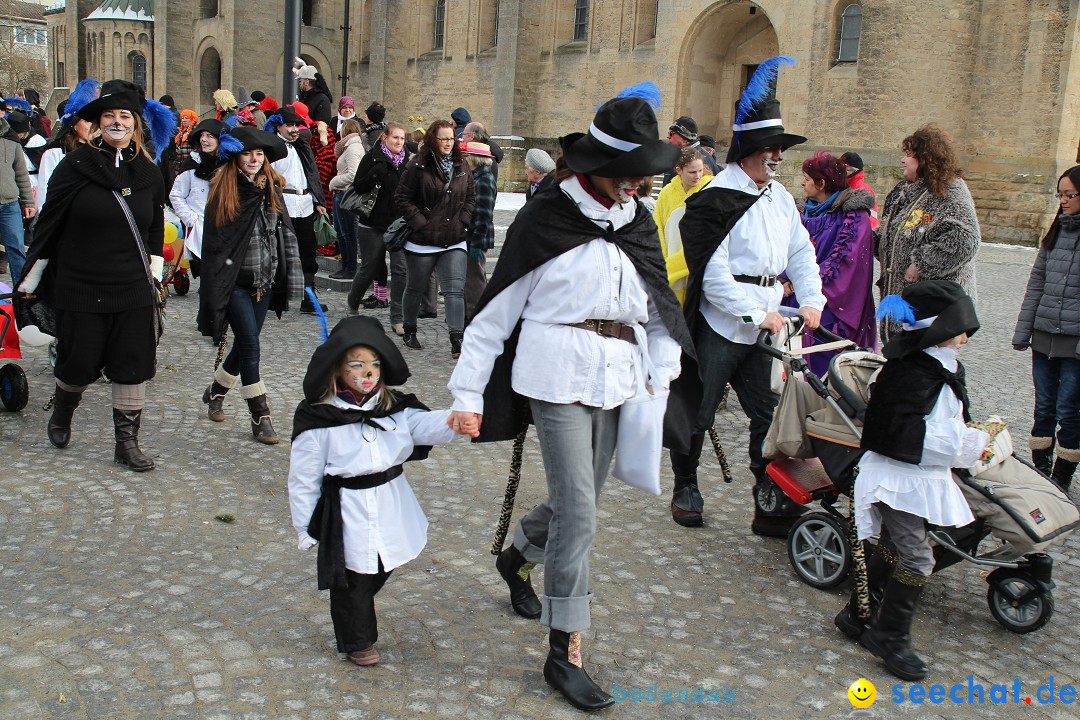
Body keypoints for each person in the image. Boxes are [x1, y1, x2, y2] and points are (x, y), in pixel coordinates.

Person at [447, 95, 690, 712]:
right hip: (554, 377)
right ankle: (565, 652)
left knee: (574, 501)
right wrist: (467, 394)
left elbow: (659, 307)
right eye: (629, 168)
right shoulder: (545, 219)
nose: (639, 181)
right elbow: (492, 317)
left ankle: (518, 556)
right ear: (596, 164)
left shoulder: (635, 222)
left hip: (620, 378)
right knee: (580, 512)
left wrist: (663, 367)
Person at [669, 56, 825, 534]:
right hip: (723, 324)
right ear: (746, 152)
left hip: (766, 319)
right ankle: (686, 485)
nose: (777, 158)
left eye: (779, 150)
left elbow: (802, 252)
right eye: (768, 150)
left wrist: (812, 299)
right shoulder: (715, 200)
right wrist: (757, 313)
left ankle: (768, 495)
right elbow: (712, 276)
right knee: (699, 408)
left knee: (767, 413)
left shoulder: (780, 199)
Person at [288, 316, 472, 667]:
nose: (367, 372)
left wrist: (458, 419)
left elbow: (427, 425)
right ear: (338, 370)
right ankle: (358, 640)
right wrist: (304, 527)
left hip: (391, 502)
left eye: (373, 364)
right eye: (356, 364)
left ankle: (355, 615)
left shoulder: (394, 409)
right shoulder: (319, 420)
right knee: (352, 578)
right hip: (347, 509)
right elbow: (303, 477)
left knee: (380, 567)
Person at [17, 79, 174, 471]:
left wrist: (154, 272)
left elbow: (155, 226)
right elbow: (49, 224)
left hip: (132, 285)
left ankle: (127, 443)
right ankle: (62, 413)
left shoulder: (148, 172)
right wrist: (33, 277)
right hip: (82, 284)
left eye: (125, 116)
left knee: (132, 361)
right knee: (79, 362)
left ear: (136, 123)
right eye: (110, 116)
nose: (117, 122)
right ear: (98, 122)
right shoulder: (75, 165)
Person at [837, 280, 989, 681]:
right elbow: (903, 433)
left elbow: (944, 423)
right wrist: (970, 443)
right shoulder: (907, 373)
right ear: (938, 328)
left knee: (892, 545)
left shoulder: (942, 366)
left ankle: (856, 615)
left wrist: (969, 437)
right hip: (896, 476)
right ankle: (889, 636)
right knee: (917, 558)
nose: (965, 336)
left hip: (921, 474)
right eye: (959, 327)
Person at [197, 125, 302, 444]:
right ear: (235, 157)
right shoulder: (224, 191)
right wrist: (215, 287)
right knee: (252, 346)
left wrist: (291, 275)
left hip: (263, 280)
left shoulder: (272, 187)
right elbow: (216, 244)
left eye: (259, 154)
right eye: (247, 153)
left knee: (246, 343)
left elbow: (282, 234)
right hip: (235, 284)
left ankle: (216, 391)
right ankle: (261, 415)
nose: (254, 159)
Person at [876, 125, 980, 344]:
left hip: (932, 317)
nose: (903, 160)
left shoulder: (949, 191)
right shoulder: (913, 191)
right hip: (903, 310)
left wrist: (922, 263)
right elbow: (897, 236)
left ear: (925, 159)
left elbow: (965, 240)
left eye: (908, 155)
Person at [1012, 165, 1080, 490]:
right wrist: (1023, 331)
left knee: (1069, 409)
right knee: (1044, 407)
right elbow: (1035, 283)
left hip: (1074, 343)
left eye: (1070, 195)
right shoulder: (1054, 234)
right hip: (1044, 337)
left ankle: (1061, 481)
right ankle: (1042, 475)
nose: (1063, 201)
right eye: (1060, 195)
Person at [781, 150, 876, 376]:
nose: (803, 182)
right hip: (796, 296)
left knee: (820, 358)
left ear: (821, 183)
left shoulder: (854, 218)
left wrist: (804, 283)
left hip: (829, 302)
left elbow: (846, 263)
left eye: (807, 178)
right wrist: (784, 277)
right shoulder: (804, 213)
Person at [394, 119, 475, 355]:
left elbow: (470, 197)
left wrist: (463, 220)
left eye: (451, 138)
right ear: (433, 139)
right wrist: (420, 222)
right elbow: (402, 198)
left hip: (454, 237)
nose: (448, 143)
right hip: (423, 240)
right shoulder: (418, 165)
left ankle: (457, 340)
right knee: (415, 288)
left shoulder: (462, 165)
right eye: (443, 138)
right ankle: (409, 329)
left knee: (454, 290)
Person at [346, 123, 411, 330]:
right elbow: (358, 186)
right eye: (395, 138)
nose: (399, 142)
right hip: (372, 224)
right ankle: (353, 304)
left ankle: (397, 317)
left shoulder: (407, 162)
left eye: (401, 138)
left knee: (400, 270)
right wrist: (377, 172)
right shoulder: (372, 158)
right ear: (385, 138)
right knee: (369, 268)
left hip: (398, 225)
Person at [267, 105, 328, 313]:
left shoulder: (302, 146)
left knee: (308, 253)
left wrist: (318, 200)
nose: (294, 129)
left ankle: (308, 297)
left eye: (296, 125)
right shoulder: (272, 148)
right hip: (283, 204)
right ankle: (277, 297)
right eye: (289, 125)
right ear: (279, 127)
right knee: (281, 252)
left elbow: (312, 174)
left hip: (304, 204)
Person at [653, 147, 712, 304]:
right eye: (692, 172)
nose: (698, 176)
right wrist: (663, 265)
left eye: (700, 171)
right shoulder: (667, 193)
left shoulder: (710, 189)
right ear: (679, 170)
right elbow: (658, 229)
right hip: (670, 269)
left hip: (698, 268)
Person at [169, 119, 227, 277]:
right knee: (209, 276)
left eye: (210, 136)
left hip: (225, 229)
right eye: (202, 135)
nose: (204, 140)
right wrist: (190, 218)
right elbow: (176, 195)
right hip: (200, 228)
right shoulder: (192, 165)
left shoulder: (228, 166)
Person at [35, 78, 99, 213]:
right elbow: (44, 194)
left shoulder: (101, 150)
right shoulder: (55, 152)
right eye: (87, 122)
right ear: (74, 124)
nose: (93, 126)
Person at [461, 141, 496, 317]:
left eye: (466, 156)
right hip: (472, 235)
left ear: (474, 159)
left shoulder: (483, 180)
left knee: (474, 280)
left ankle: (475, 315)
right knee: (471, 278)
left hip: (476, 237)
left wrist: (476, 242)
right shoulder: (476, 176)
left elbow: (483, 214)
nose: (464, 159)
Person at [328, 118, 365, 280]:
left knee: (347, 233)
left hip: (346, 193)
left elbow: (353, 174)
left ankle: (350, 268)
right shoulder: (348, 146)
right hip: (341, 193)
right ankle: (346, 266)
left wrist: (333, 182)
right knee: (342, 233)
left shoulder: (353, 148)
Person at [0, 110, 35, 283]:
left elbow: (21, 174)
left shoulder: (11, 139)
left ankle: (21, 295)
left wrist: (28, 201)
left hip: (9, 204)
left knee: (16, 249)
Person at [663, 115, 719, 182]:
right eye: (668, 133)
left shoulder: (696, 160)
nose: (668, 137)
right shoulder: (681, 156)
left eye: (672, 133)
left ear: (685, 139)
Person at [841, 151, 879, 229]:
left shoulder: (863, 191)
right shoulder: (842, 187)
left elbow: (870, 221)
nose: (842, 173)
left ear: (856, 171)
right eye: (841, 168)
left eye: (847, 169)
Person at [294, 58, 333, 125]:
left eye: (300, 81)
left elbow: (322, 124)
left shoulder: (322, 99)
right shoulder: (304, 96)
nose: (299, 83)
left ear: (307, 82)